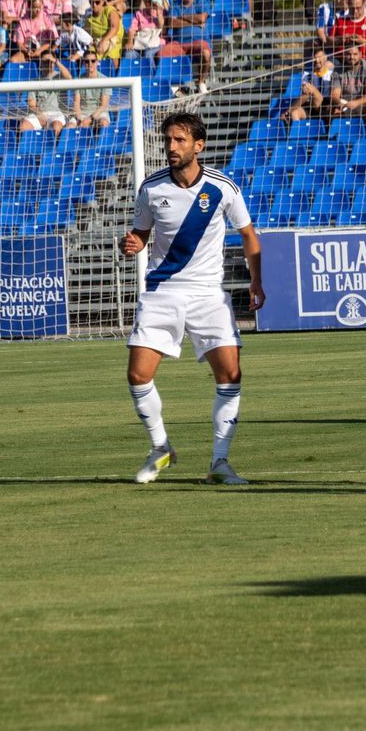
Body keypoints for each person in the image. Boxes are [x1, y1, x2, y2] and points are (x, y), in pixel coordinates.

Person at [123, 111, 263, 486]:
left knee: (230, 374)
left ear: (198, 146)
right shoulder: (151, 189)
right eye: (168, 140)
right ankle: (161, 448)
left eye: (180, 140)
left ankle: (219, 462)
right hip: (162, 292)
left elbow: (249, 237)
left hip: (207, 295)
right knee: (138, 376)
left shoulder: (222, 187)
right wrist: (133, 244)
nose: (171, 147)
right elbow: (140, 235)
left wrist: (256, 283)